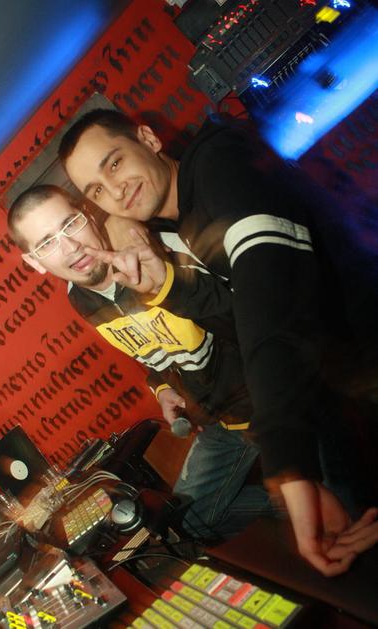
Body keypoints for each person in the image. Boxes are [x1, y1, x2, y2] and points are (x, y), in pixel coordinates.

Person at [57, 108, 378, 575]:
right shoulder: (170, 224)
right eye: (98, 191)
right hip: (331, 386)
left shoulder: (220, 167)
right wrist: (151, 266)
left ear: (148, 138)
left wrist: (288, 469)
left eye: (115, 163)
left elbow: (269, 312)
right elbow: (236, 321)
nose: (116, 190)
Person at [7, 184, 274, 540]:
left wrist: (166, 282)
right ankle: (289, 506)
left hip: (271, 399)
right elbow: (150, 346)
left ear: (88, 216)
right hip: (217, 419)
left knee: (333, 494)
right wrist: (162, 386)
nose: (70, 247)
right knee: (185, 526)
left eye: (70, 224)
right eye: (46, 243)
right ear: (34, 262)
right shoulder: (80, 299)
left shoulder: (158, 246)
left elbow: (258, 313)